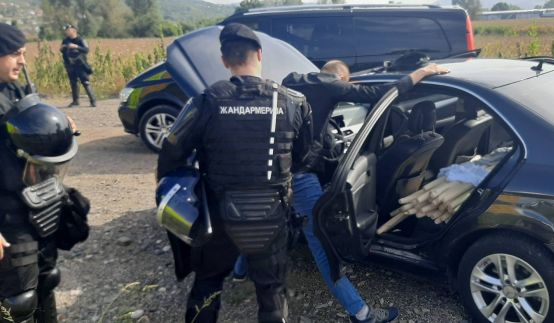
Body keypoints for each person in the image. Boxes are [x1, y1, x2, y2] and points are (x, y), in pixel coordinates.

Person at [233, 59, 449, 323]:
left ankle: (240, 269)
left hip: (269, 172)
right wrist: (423, 71)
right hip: (299, 178)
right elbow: (380, 93)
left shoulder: (290, 80)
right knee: (322, 245)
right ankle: (360, 313)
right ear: (343, 80)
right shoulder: (332, 87)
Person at [157, 23, 316, 323]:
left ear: (224, 60)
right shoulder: (294, 102)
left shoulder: (205, 101)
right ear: (259, 53)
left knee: (208, 285)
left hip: (219, 218)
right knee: (272, 296)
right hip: (272, 218)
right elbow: (305, 158)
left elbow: (171, 152)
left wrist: (179, 199)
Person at [0, 23, 89, 323]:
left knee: (47, 280)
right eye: (14, 54)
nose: (22, 61)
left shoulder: (14, 87)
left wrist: (57, 125)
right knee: (16, 303)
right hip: (7, 218)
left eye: (23, 53)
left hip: (36, 204)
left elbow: (32, 122)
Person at [60, 24, 96, 108]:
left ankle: (93, 101)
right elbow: (63, 52)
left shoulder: (80, 39)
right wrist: (62, 48)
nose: (67, 32)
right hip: (70, 64)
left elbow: (86, 50)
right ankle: (75, 101)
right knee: (73, 83)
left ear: (74, 30)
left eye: (69, 30)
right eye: (66, 30)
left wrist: (76, 46)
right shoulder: (65, 40)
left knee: (85, 82)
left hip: (80, 64)